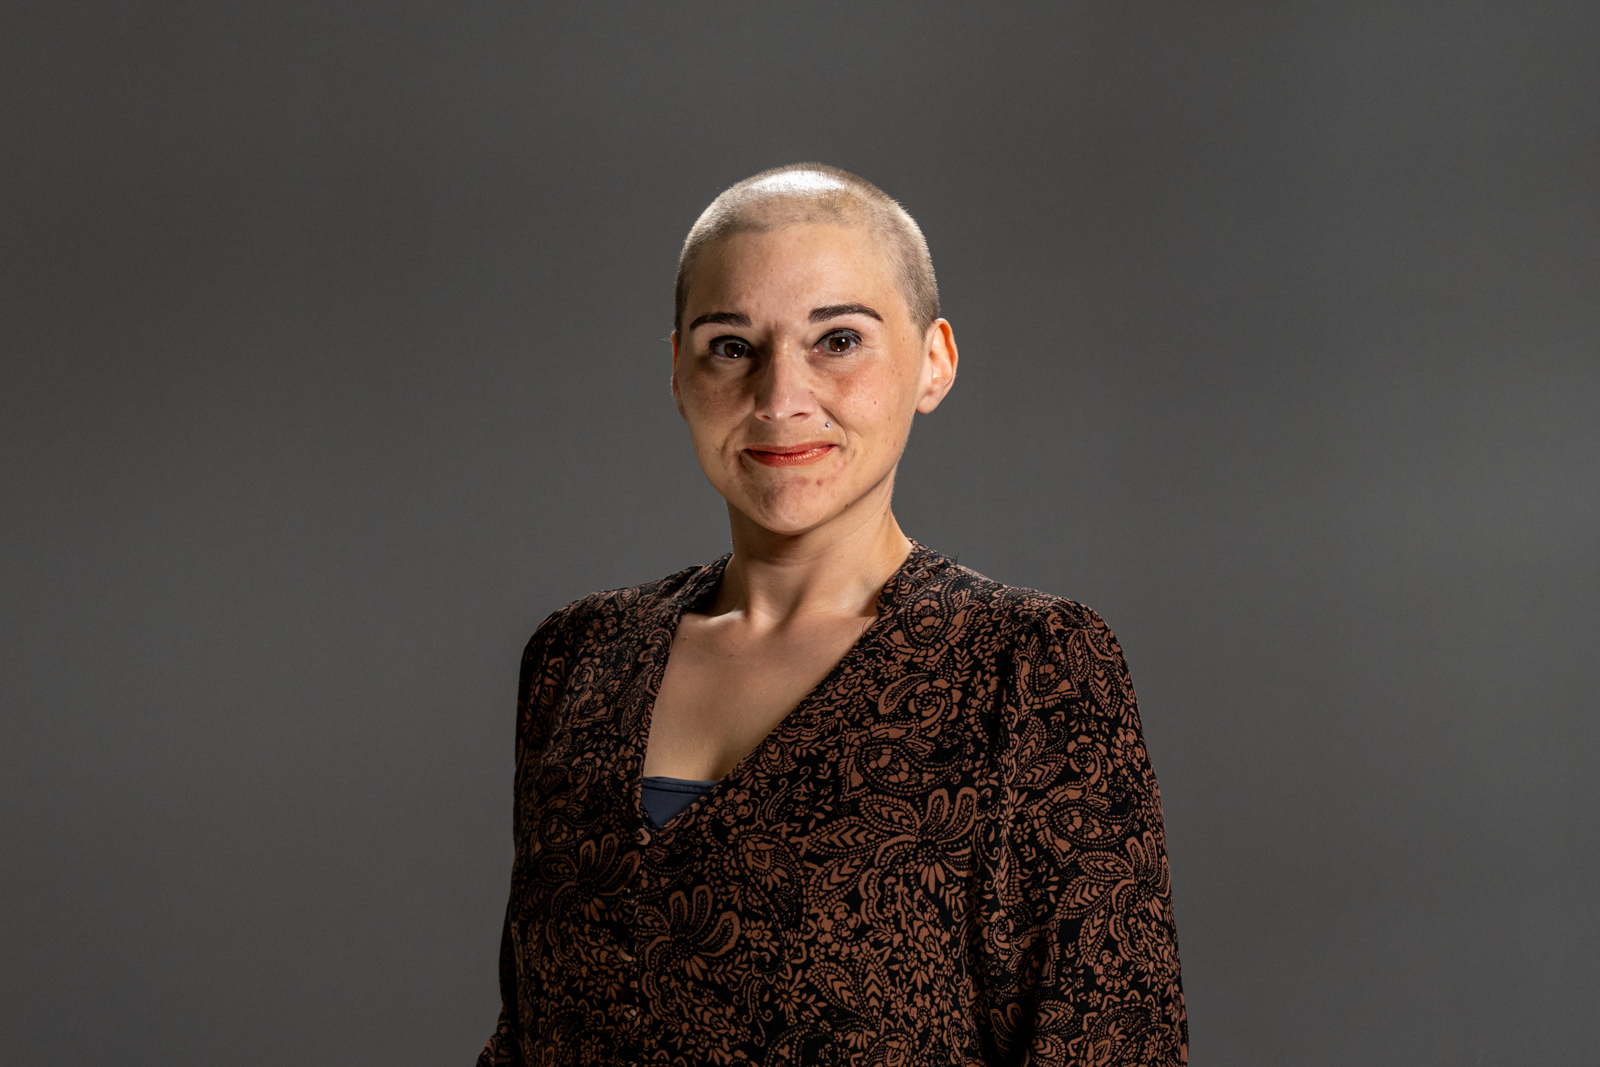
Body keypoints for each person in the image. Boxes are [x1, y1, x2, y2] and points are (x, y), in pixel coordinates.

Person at [479, 164, 1187, 1066]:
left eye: (838, 340)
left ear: (934, 362)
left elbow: (1113, 1041)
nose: (780, 398)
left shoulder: (1028, 666)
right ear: (678, 371)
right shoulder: (578, 656)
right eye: (731, 345)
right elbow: (527, 1032)